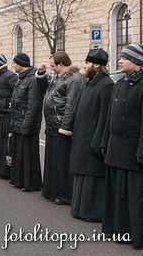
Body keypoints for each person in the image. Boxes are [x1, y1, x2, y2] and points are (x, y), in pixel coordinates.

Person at [101, 43, 143, 249]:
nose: (120, 60)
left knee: (134, 195)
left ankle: (135, 234)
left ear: (136, 62)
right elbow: (110, 117)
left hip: (132, 149)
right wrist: (104, 141)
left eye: (125, 58)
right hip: (115, 147)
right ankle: (117, 230)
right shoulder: (119, 83)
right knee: (117, 192)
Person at [69, 49, 113, 222]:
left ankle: (92, 212)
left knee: (92, 176)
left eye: (87, 63)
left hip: (93, 138)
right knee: (82, 174)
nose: (84, 66)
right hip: (82, 136)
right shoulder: (90, 82)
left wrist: (98, 141)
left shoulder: (107, 84)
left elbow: (104, 116)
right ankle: (80, 208)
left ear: (97, 65)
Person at [36, 51, 84, 206]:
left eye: (52, 66)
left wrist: (66, 127)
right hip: (52, 125)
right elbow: (45, 89)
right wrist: (41, 74)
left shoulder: (74, 79)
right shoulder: (59, 77)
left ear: (61, 64)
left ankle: (64, 194)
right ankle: (51, 190)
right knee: (53, 161)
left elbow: (72, 105)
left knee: (62, 163)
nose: (51, 69)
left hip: (61, 127)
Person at [9, 53, 43, 192]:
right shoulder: (20, 79)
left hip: (26, 123)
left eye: (15, 63)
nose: (13, 66)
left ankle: (31, 183)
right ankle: (20, 181)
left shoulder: (32, 80)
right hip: (18, 121)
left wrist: (27, 126)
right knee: (19, 154)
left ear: (21, 64)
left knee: (29, 156)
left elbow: (33, 105)